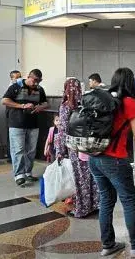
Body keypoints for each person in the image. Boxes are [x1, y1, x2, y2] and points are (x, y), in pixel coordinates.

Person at [88, 68, 135, 258]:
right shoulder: (128, 102)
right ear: (130, 83)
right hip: (115, 160)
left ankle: (108, 245)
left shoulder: (102, 98)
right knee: (128, 201)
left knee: (106, 200)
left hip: (94, 158)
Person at [55, 78, 100, 218]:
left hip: (74, 146)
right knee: (91, 175)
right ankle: (96, 204)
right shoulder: (86, 102)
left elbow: (62, 129)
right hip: (88, 145)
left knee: (79, 177)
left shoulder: (66, 106)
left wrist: (59, 150)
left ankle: (82, 208)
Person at [2, 69, 49, 186]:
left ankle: (28, 172)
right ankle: (19, 175)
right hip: (17, 124)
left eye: (39, 81)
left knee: (31, 150)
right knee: (18, 150)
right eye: (34, 80)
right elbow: (5, 100)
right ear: (28, 77)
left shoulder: (39, 89)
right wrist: (22, 106)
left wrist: (40, 107)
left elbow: (46, 103)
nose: (36, 83)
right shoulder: (16, 86)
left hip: (33, 124)